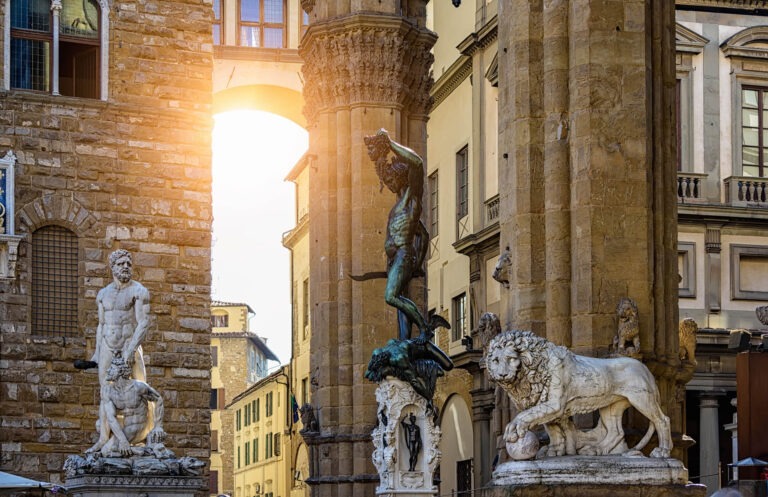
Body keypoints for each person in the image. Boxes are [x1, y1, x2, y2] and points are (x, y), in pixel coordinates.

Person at [365, 129, 431, 342]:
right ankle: (404, 340)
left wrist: (389, 142)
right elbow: (424, 234)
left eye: (392, 179)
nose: (390, 183)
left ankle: (424, 328)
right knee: (400, 299)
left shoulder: (412, 199)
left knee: (390, 296)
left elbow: (418, 163)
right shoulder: (396, 206)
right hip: (395, 258)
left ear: (402, 178)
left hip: (403, 255)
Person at [91, 249, 150, 385]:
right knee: (105, 390)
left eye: (128, 264)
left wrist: (131, 349)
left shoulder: (139, 290)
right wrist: (97, 352)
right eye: (121, 263)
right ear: (113, 267)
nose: (125, 267)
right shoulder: (103, 294)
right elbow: (101, 325)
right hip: (107, 345)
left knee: (141, 389)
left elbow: (144, 322)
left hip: (129, 343)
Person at [87, 356, 165, 457]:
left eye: (112, 368)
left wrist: (158, 426)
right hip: (125, 427)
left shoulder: (138, 386)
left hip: (139, 426)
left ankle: (139, 451)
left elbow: (158, 399)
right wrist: (123, 440)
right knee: (107, 449)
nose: (108, 370)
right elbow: (111, 418)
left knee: (109, 450)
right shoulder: (108, 391)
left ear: (120, 371)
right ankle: (139, 451)